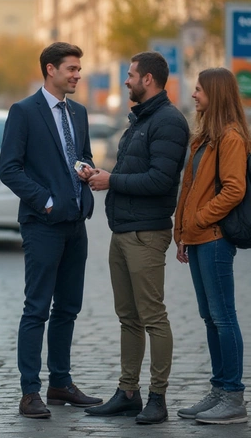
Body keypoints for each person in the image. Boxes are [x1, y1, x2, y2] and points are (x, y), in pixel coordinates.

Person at [84, 51, 189, 424]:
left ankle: (157, 398)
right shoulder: (141, 119)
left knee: (152, 317)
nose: (125, 80)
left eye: (130, 75)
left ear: (148, 79)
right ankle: (128, 392)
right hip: (124, 230)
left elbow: (161, 180)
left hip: (147, 233)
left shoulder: (169, 122)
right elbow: (135, 170)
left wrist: (111, 180)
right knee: (127, 317)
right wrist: (103, 173)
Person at [0, 42, 102, 419]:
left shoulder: (78, 112)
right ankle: (30, 393)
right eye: (71, 69)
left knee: (68, 308)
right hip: (43, 224)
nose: (77, 75)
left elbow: (83, 154)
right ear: (50, 70)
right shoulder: (24, 112)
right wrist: (44, 201)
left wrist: (86, 169)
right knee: (37, 308)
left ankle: (60, 382)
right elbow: (9, 168)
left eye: (78, 68)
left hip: (76, 223)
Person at [173, 67, 249, 424]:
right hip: (198, 238)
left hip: (216, 239)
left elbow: (235, 188)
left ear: (215, 94)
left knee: (223, 317)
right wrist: (182, 232)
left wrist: (201, 219)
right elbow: (189, 186)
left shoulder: (231, 137)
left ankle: (233, 396)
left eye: (199, 89)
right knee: (209, 318)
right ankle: (219, 388)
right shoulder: (205, 137)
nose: (194, 95)